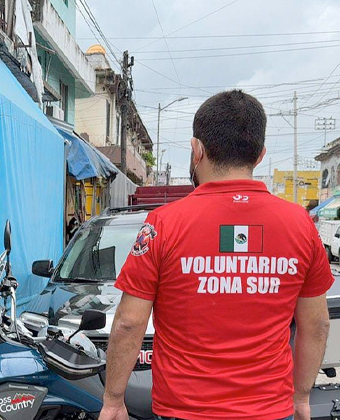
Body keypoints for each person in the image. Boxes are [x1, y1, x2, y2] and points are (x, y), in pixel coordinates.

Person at [101, 90, 333, 420]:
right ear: (260, 155)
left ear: (197, 149)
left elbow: (129, 322)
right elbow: (317, 324)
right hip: (270, 409)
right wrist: (301, 397)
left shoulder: (163, 224)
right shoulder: (300, 224)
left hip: (185, 409)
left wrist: (113, 400)